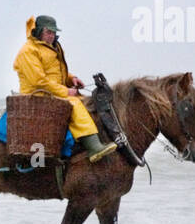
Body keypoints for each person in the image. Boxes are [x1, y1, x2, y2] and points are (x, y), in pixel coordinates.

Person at [12, 15, 117, 162]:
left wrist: (71, 79)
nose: (52, 36)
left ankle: (86, 141)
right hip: (37, 95)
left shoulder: (52, 47)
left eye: (54, 32)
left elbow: (57, 71)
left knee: (87, 101)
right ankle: (94, 148)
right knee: (73, 103)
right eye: (48, 32)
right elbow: (38, 80)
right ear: (39, 31)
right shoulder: (28, 51)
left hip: (52, 92)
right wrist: (65, 91)